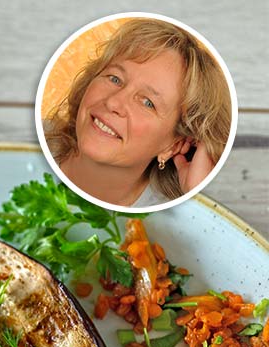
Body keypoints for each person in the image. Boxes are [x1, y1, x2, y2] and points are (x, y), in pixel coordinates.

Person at [45, 19, 231, 208]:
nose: (113, 102)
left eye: (148, 103)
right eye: (115, 78)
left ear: (174, 147)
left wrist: (197, 197)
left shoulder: (169, 221)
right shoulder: (27, 142)